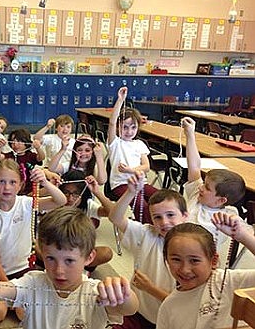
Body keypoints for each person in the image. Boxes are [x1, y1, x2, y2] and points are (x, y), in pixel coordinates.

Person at [0, 206, 139, 329]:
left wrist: (121, 294)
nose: (58, 270)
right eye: (50, 259)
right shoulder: (34, 282)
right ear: (41, 252)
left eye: (69, 261)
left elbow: (130, 308)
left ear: (89, 258)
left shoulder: (94, 292)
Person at [0, 159, 66, 321]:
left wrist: (45, 182)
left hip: (23, 270)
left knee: (26, 313)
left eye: (12, 182)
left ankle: (14, 301)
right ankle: (8, 299)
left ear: (20, 185)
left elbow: (61, 201)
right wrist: (9, 286)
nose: (7, 187)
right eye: (1, 182)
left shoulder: (26, 203)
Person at [108, 171, 189, 329]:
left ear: (185, 215)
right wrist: (131, 192)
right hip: (135, 311)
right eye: (157, 217)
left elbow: (184, 304)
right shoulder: (147, 233)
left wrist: (150, 288)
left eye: (170, 215)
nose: (164, 222)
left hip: (166, 320)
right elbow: (115, 217)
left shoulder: (191, 249)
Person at [157, 214, 255, 329]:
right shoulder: (168, 307)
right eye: (176, 260)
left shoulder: (230, 282)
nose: (185, 269)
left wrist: (243, 237)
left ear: (213, 261)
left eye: (194, 260)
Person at [182, 116, 246, 256]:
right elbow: (194, 167)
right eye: (204, 183)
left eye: (207, 188)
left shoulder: (228, 217)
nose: (201, 187)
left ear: (221, 200)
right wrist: (190, 134)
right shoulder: (196, 196)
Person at [107, 86, 158, 224]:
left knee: (160, 198)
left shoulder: (139, 144)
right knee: (141, 204)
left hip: (141, 182)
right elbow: (111, 122)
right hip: (121, 184)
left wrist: (130, 170)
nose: (129, 131)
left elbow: (146, 167)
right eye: (125, 127)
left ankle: (159, 223)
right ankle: (148, 229)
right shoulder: (115, 143)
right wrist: (120, 100)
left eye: (133, 127)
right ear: (118, 127)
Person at [57, 170, 114, 272]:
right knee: (38, 248)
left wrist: (97, 192)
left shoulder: (87, 205)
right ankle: (75, 269)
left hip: (78, 253)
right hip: (57, 252)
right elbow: (30, 201)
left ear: (82, 195)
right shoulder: (54, 202)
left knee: (106, 253)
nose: (70, 198)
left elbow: (113, 213)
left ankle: (75, 268)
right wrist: (50, 187)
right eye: (66, 193)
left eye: (75, 194)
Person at [0, 128, 45, 195]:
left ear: (26, 142)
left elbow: (41, 157)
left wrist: (38, 148)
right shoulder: (9, 155)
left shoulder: (30, 155)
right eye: (13, 141)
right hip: (13, 189)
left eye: (19, 141)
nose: (15, 144)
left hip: (29, 189)